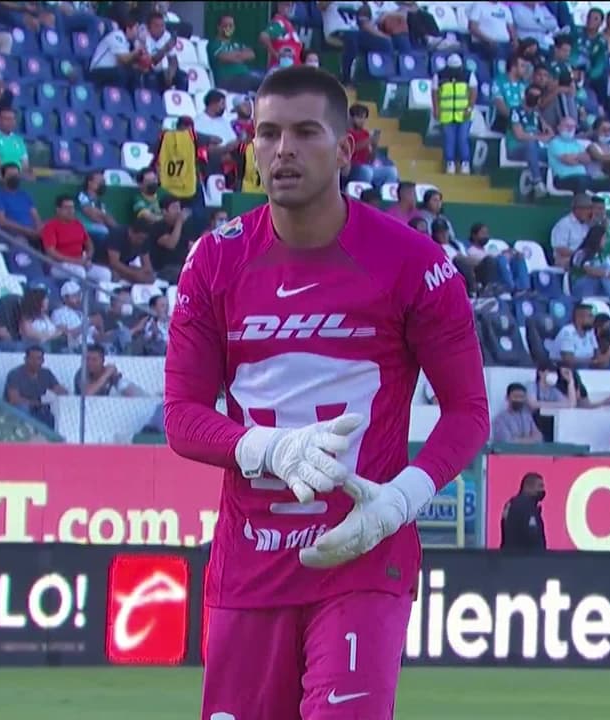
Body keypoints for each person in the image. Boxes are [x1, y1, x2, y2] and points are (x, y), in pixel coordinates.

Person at [163, 66, 489, 720]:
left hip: (363, 555)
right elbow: (182, 417)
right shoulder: (214, 261)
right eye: (268, 134)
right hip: (248, 566)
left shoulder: (414, 264)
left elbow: (469, 413)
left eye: (306, 132)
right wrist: (266, 448)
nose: (283, 149)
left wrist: (401, 500)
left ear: (344, 151)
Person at [4, 346, 68, 429]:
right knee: (23, 408)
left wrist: (54, 393)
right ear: (25, 359)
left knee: (52, 413)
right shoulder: (15, 374)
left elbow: (62, 391)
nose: (35, 362)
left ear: (43, 360)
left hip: (40, 409)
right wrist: (38, 402)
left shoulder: (46, 373)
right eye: (32, 358)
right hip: (19, 410)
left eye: (39, 359)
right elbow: (14, 400)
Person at [432, 57, 474, 174]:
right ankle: (450, 163)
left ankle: (465, 163)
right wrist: (436, 108)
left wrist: (469, 108)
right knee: (449, 140)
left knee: (462, 139)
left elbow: (473, 92)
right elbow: (434, 92)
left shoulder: (468, 75)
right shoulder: (439, 76)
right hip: (447, 114)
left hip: (464, 114)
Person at [499, 472, 546, 552]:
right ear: (528, 487)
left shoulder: (512, 503)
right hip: (523, 558)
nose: (542, 490)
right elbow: (532, 536)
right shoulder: (525, 505)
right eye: (540, 486)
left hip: (510, 556)